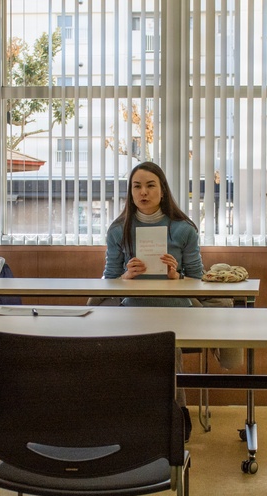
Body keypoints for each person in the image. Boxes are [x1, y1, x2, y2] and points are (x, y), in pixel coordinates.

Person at [102, 161, 205, 438]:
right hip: (133, 309)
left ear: (162, 191)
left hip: (175, 310)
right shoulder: (118, 229)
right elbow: (108, 281)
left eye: (150, 186)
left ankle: (176, 415)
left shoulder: (183, 229)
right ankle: (134, 416)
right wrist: (126, 276)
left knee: (168, 347)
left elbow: (199, 279)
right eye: (137, 186)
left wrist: (177, 277)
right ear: (130, 192)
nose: (143, 192)